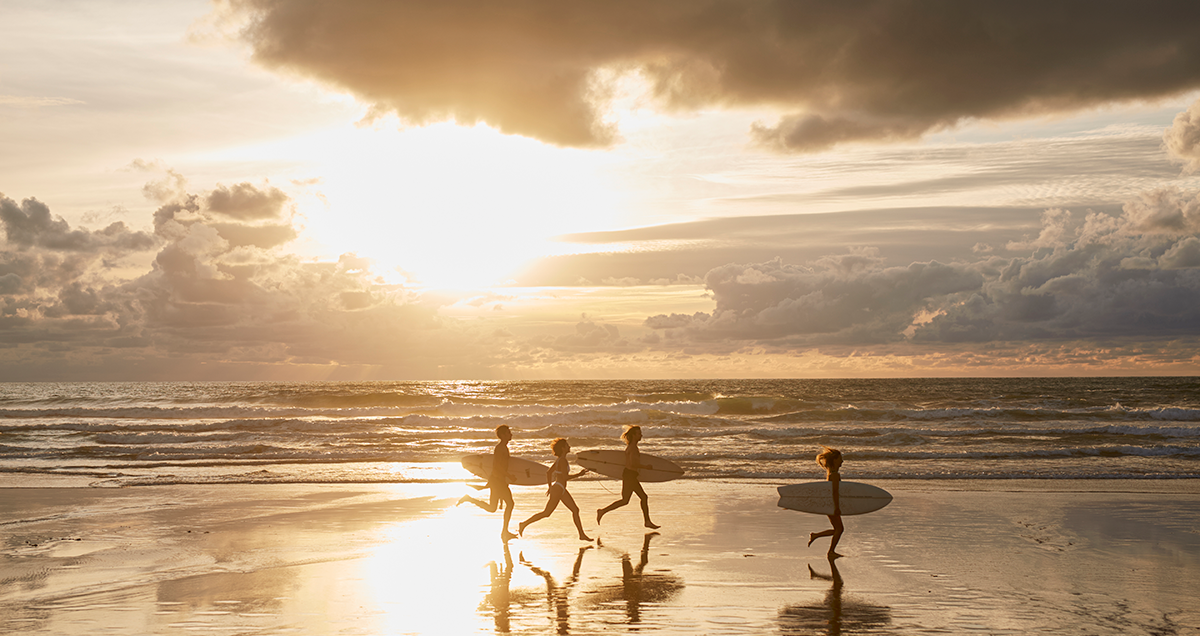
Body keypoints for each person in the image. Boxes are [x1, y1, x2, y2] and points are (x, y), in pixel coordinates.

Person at [518, 438, 592, 541]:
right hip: (559, 489)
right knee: (546, 513)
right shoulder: (562, 461)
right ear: (563, 448)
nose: (569, 447)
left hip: (559, 488)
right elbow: (565, 477)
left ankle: (581, 535)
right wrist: (579, 474)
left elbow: (548, 473)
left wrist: (550, 487)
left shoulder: (559, 460)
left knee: (575, 510)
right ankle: (523, 524)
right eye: (567, 446)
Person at [459, 425, 517, 541]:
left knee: (493, 508)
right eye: (508, 433)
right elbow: (497, 467)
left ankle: (469, 499)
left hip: (499, 481)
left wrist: (507, 478)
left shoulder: (503, 448)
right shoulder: (500, 448)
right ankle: (504, 532)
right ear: (503, 435)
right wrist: (508, 476)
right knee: (509, 504)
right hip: (497, 481)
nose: (511, 434)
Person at [596, 425, 660, 529]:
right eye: (639, 433)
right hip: (630, 475)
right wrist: (646, 467)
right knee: (643, 497)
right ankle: (647, 521)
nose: (641, 435)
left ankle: (602, 511)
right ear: (634, 435)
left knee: (625, 500)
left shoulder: (631, 446)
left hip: (629, 475)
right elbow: (633, 464)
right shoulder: (633, 448)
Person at [807, 446, 844, 557]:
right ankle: (831, 552)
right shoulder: (835, 475)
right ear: (835, 460)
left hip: (829, 505)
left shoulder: (830, 474)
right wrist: (837, 507)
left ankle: (816, 536)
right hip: (832, 505)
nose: (842, 461)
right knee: (839, 529)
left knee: (838, 529)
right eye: (840, 458)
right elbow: (835, 492)